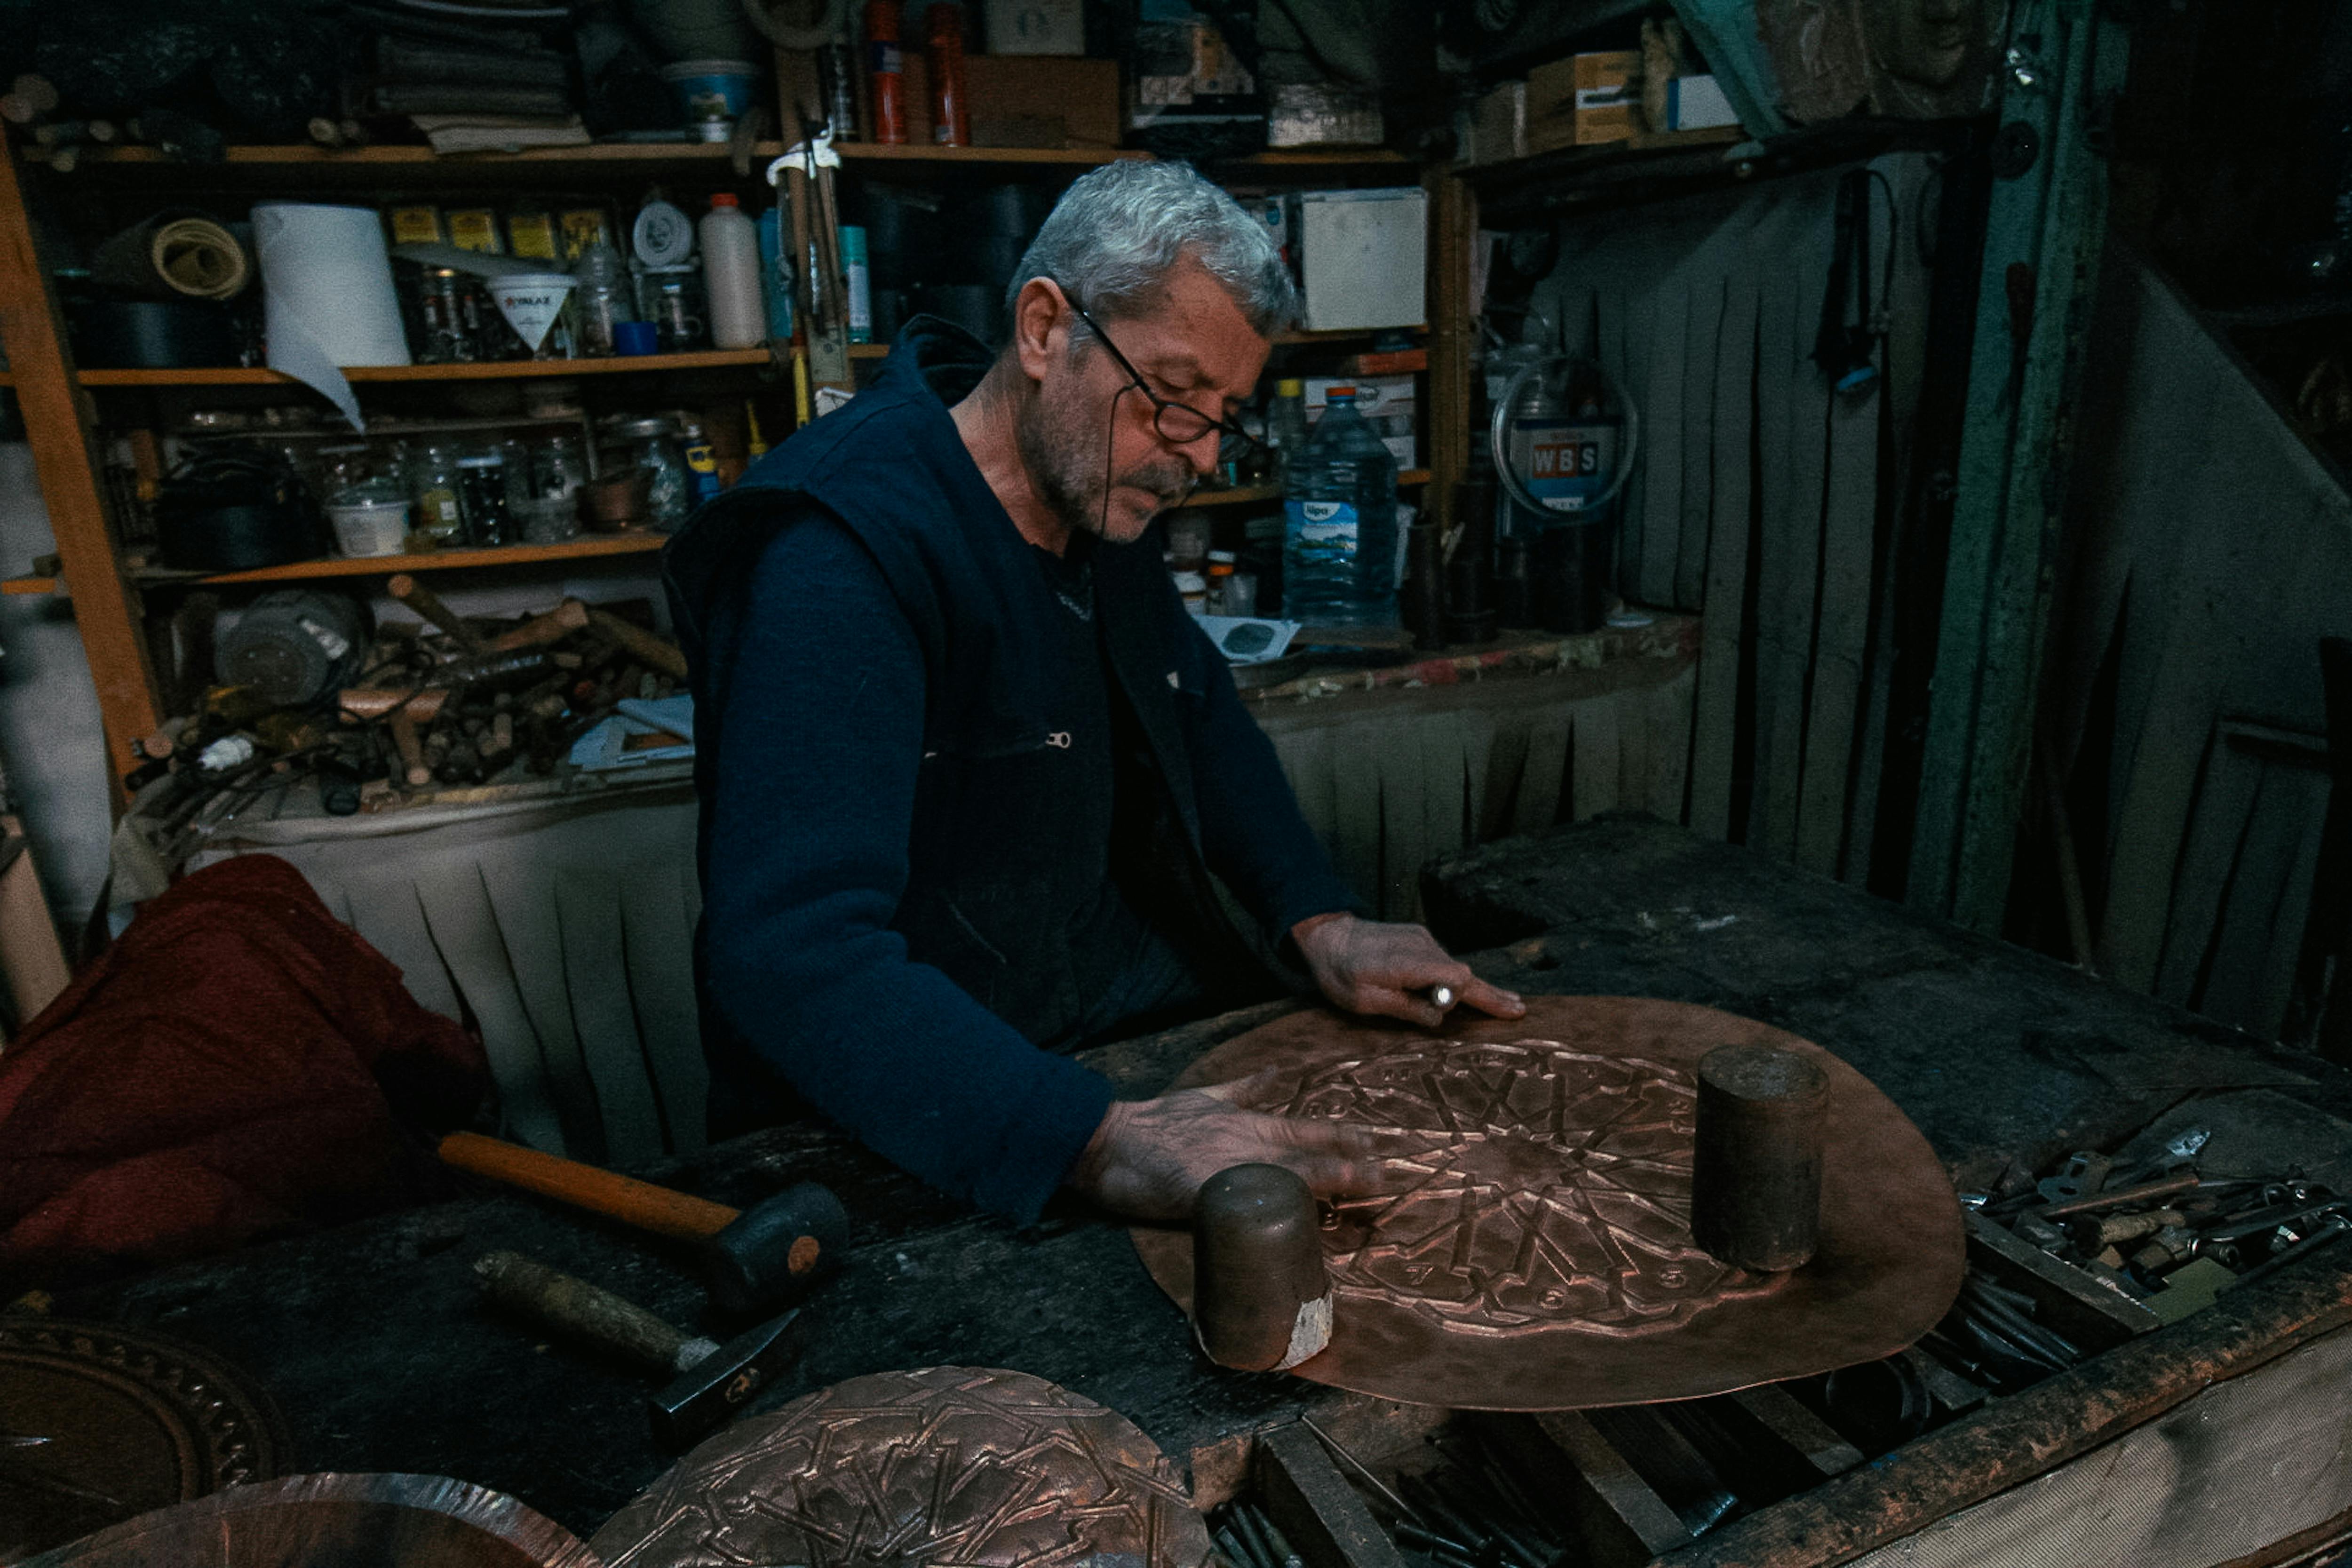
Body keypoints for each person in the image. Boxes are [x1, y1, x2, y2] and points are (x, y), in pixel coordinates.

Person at [666, 160, 1522, 1227]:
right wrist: (1101, 1140)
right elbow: (793, 954)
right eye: (1170, 398)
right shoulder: (836, 553)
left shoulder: (1094, 484)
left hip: (1095, 1016)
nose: (1197, 456)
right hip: (912, 1097)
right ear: (1041, 328)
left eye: (1224, 415)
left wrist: (1317, 914)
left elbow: (1196, 709)